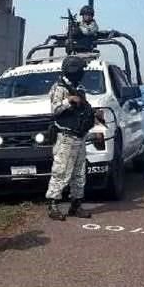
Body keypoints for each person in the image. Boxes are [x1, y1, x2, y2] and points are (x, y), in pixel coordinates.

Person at [46, 56, 98, 220]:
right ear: (73, 70)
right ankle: (53, 205)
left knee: (79, 173)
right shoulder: (59, 88)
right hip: (66, 137)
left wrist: (94, 115)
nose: (82, 73)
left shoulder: (78, 87)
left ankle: (76, 205)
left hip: (80, 136)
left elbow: (83, 110)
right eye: (80, 69)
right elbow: (54, 110)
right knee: (61, 172)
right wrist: (68, 101)